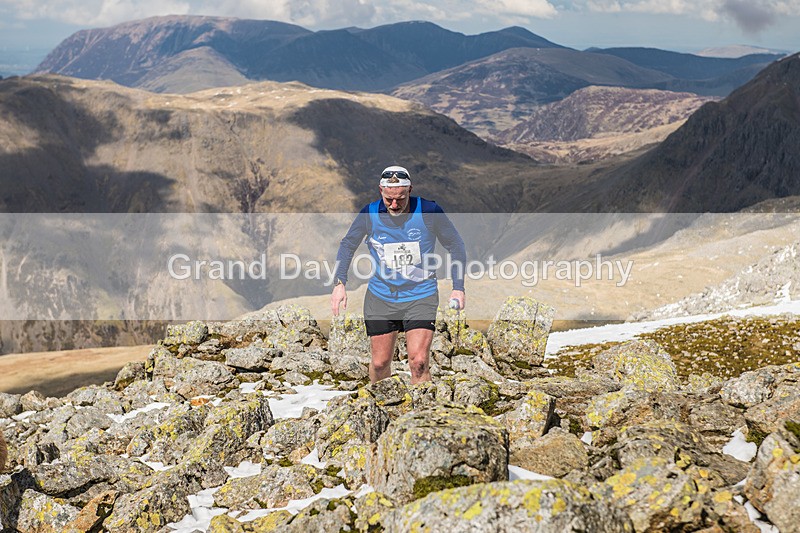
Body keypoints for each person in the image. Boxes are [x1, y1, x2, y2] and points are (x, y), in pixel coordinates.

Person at [330, 165, 466, 384]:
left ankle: (422, 415)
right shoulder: (369, 213)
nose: (394, 205)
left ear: (410, 190)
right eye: (389, 199)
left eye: (400, 199)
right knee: (379, 363)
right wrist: (339, 283)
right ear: (380, 191)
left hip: (421, 294)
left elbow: (455, 244)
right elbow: (347, 245)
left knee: (419, 362)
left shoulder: (429, 211)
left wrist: (458, 287)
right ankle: (380, 408)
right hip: (381, 296)